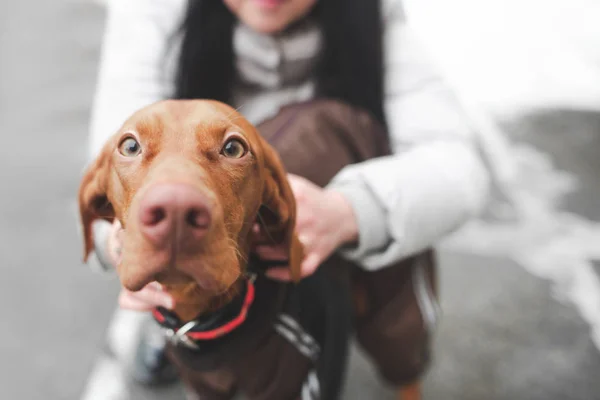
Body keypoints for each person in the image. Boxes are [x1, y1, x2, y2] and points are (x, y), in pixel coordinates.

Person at [86, 0, 492, 388]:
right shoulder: (155, 10)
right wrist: (117, 239)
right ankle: (178, 323)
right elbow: (115, 149)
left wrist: (350, 210)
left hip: (329, 192)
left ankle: (399, 367)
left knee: (388, 325)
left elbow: (459, 167)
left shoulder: (373, 15)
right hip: (203, 220)